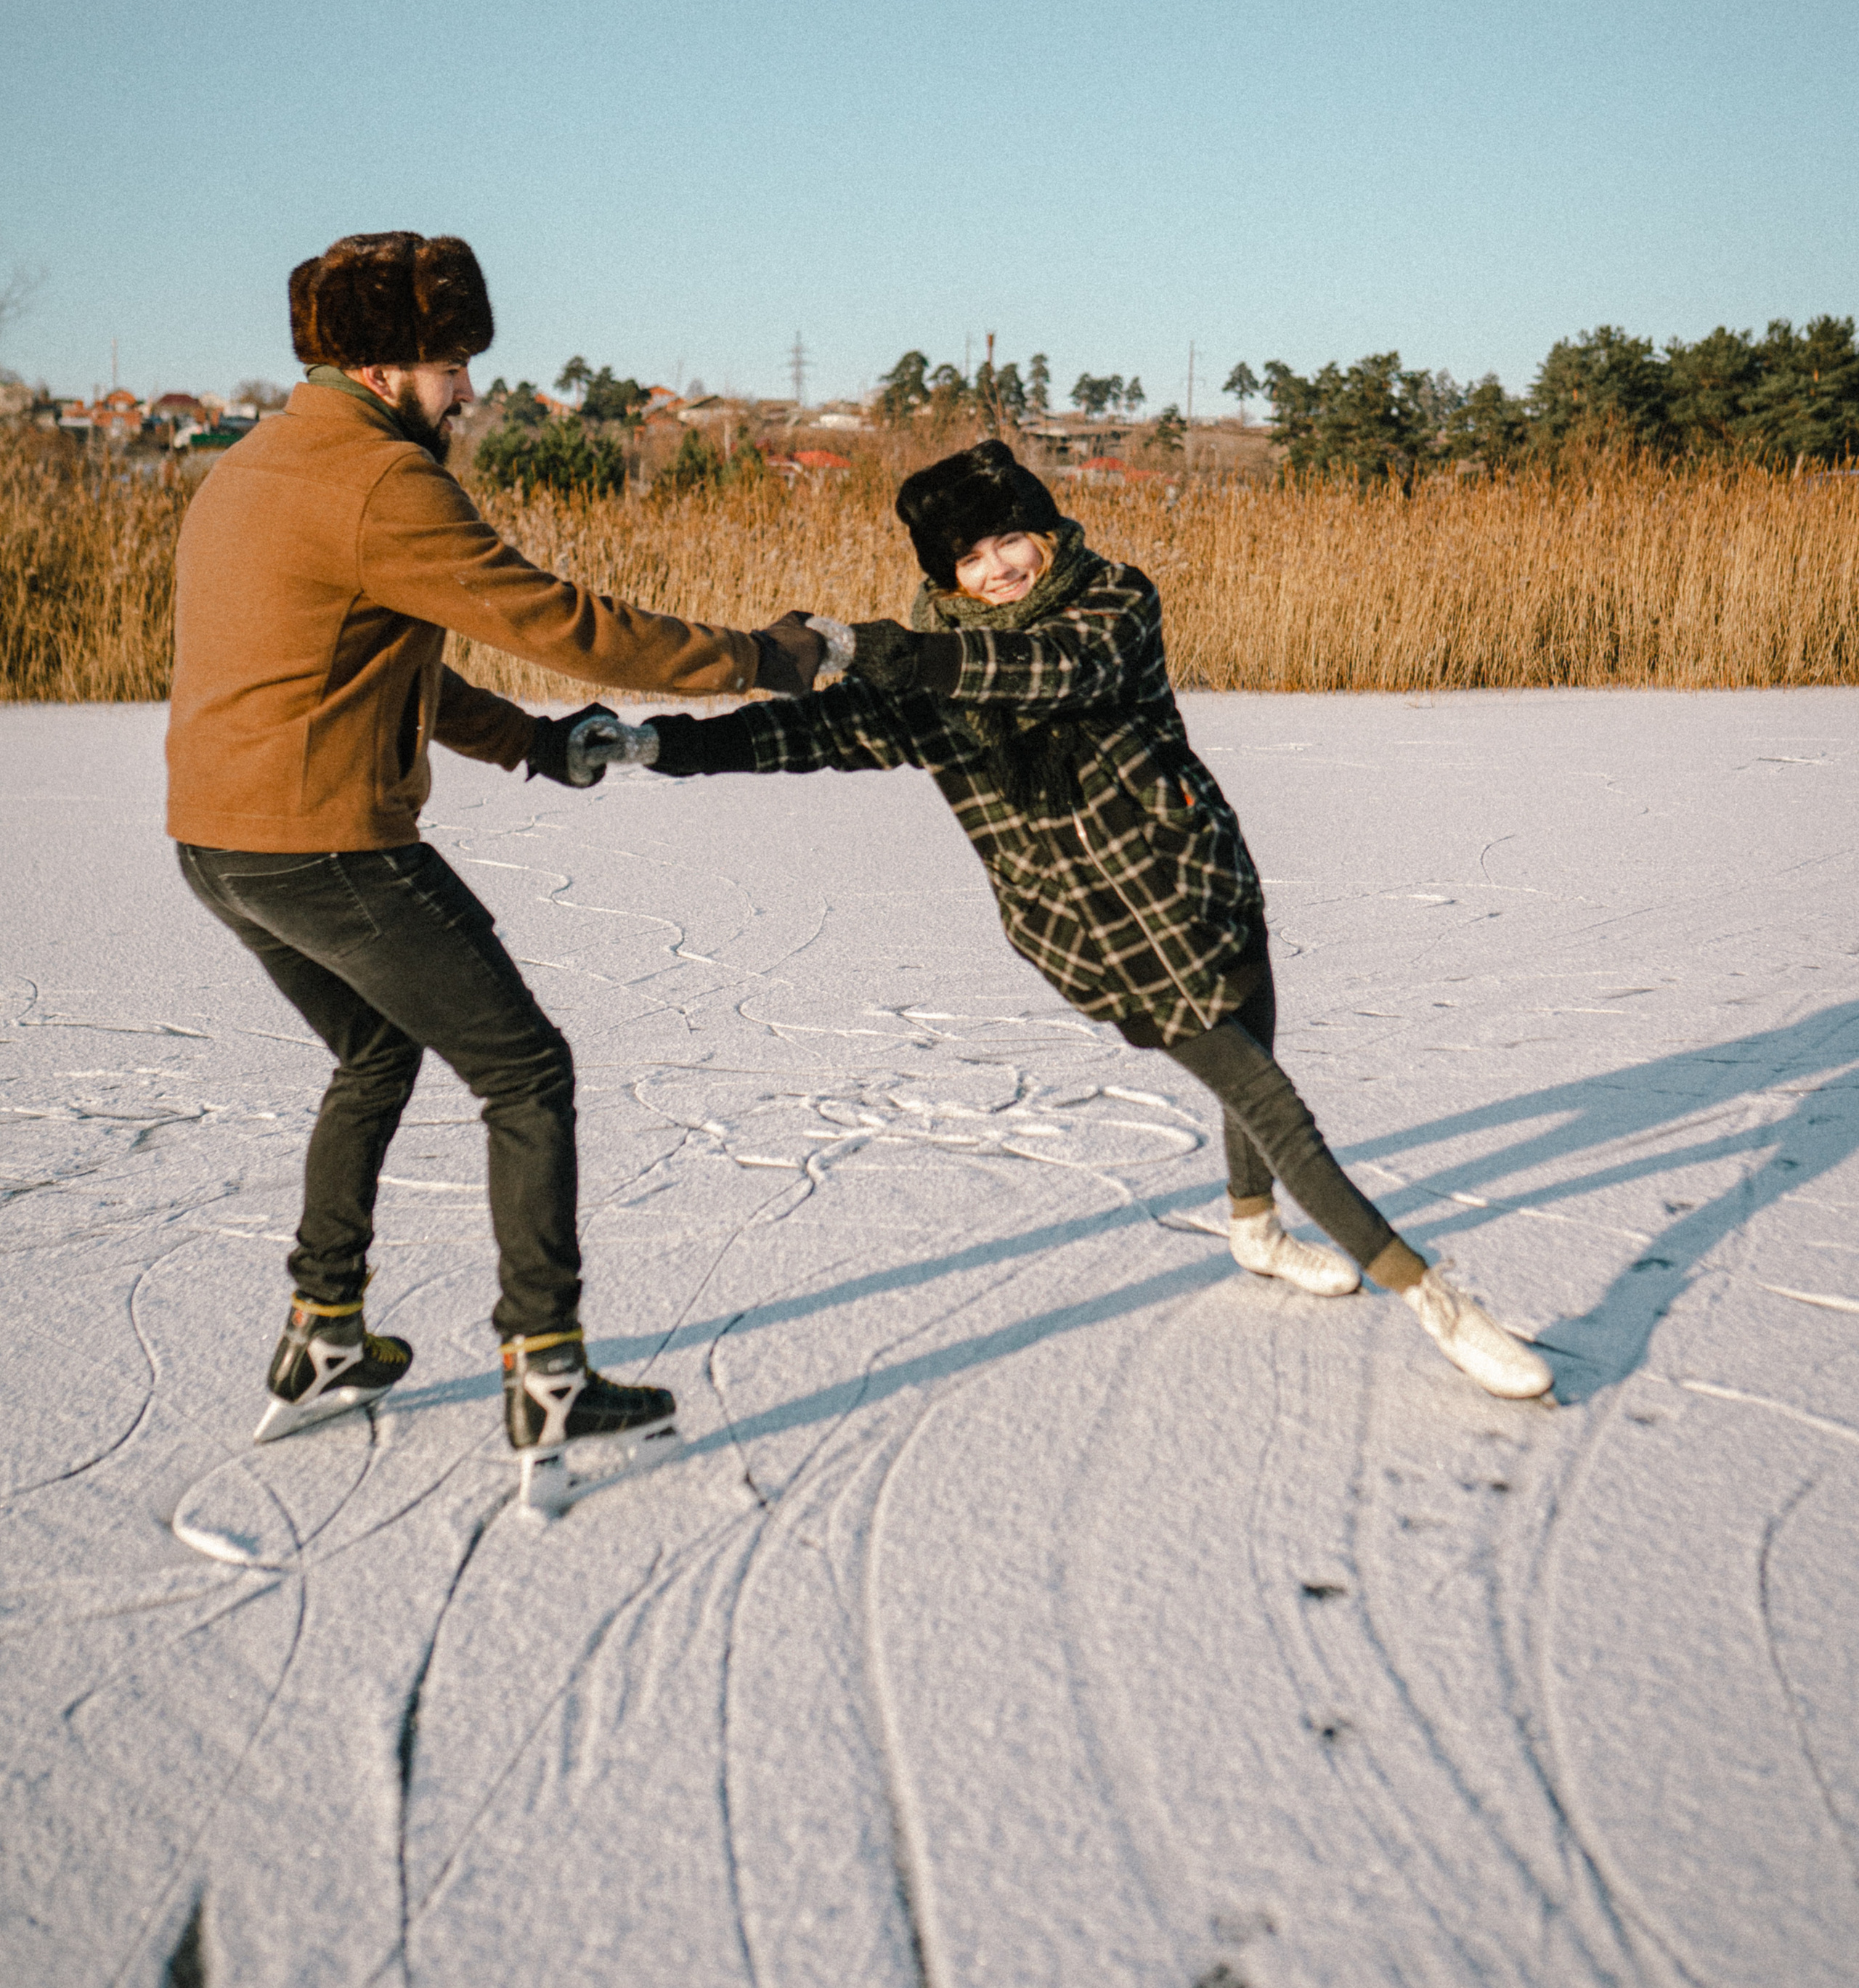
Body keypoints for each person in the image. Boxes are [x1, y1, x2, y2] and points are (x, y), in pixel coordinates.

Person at [588, 439, 1551, 1402]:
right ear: (947, 576)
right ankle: (1438, 1306)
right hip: (1100, 930)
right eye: (969, 558)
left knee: (1258, 1048)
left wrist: (884, 650)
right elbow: (804, 732)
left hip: (1200, 874)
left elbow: (1050, 670)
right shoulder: (928, 683)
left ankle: (1254, 1229)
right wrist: (647, 744)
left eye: (1011, 539)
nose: (998, 567)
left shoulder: (1115, 604)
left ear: (1045, 534)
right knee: (1269, 1101)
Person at [166, 229, 826, 1497]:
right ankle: (549, 1375)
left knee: (376, 1052)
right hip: (323, 844)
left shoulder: (252, 465)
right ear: (389, 360)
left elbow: (377, 656)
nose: (468, 390)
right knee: (526, 1069)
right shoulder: (378, 481)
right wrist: (761, 657)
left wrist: (526, 742)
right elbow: (559, 620)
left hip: (219, 841)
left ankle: (324, 1335)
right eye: (454, 360)